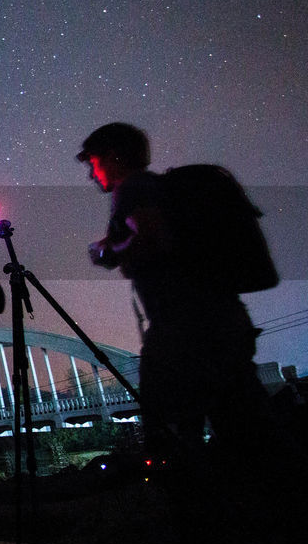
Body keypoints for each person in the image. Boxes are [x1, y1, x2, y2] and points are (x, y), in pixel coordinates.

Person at [78, 122, 271, 459]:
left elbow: (153, 238)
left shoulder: (133, 188)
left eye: (94, 163)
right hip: (224, 320)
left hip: (182, 331)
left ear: (112, 156)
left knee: (171, 436)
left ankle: (194, 502)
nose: (92, 175)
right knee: (246, 430)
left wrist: (109, 252)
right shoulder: (162, 189)